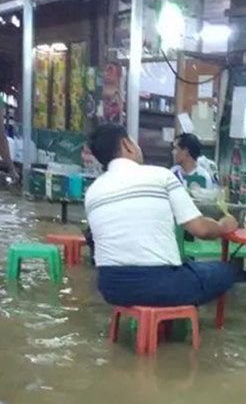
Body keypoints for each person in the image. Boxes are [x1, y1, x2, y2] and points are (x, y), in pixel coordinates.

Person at [85, 123, 237, 307]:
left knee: (186, 272)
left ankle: (167, 316)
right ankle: (178, 319)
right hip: (160, 284)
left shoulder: (92, 192)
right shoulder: (161, 176)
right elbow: (201, 229)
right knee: (226, 271)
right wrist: (223, 225)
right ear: (127, 145)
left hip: (111, 288)